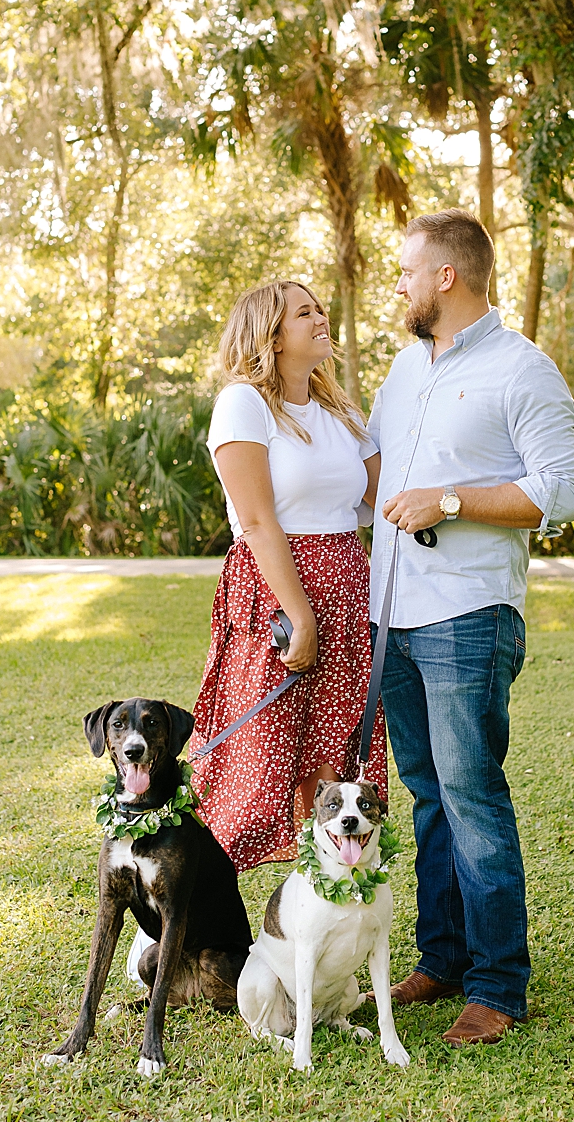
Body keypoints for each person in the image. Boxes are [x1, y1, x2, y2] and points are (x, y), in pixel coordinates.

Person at [369, 210, 574, 1046]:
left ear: (446, 278)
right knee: (426, 795)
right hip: (396, 611)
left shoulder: (522, 370)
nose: (399, 284)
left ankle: (498, 984)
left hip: (469, 613)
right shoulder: (402, 366)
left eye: (406, 271)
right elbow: (381, 464)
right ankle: (445, 955)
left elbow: (561, 495)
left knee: (471, 795)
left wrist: (450, 500)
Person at [193, 280, 384, 872]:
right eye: (304, 313)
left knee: (335, 773)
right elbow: (255, 519)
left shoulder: (341, 410)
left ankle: (328, 933)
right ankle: (175, 928)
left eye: (320, 308)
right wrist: (300, 614)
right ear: (270, 337)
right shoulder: (243, 403)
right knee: (254, 772)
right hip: (278, 597)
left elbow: (383, 498)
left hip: (348, 591)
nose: (321, 318)